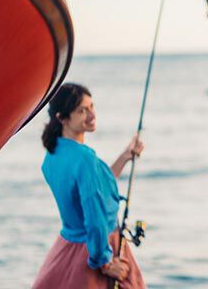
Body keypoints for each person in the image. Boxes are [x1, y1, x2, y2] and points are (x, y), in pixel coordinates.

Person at [33, 83, 146, 289]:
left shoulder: (53, 154)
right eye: (81, 111)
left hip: (67, 247)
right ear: (62, 117)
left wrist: (125, 157)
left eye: (91, 106)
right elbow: (94, 216)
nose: (91, 114)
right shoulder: (85, 159)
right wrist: (104, 261)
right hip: (97, 248)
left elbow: (95, 188)